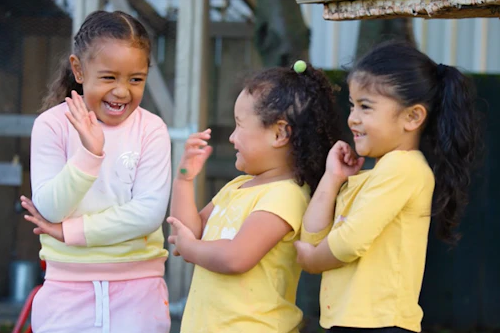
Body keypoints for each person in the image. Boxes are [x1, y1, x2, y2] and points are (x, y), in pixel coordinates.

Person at [294, 40, 480, 333]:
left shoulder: (404, 169)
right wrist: (332, 178)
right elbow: (313, 235)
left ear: (412, 117)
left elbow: (347, 242)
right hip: (351, 322)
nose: (353, 117)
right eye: (353, 105)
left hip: (381, 325)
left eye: (366, 107)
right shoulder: (374, 176)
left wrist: (314, 261)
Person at [20, 10, 172, 333]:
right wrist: (90, 154)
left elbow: (148, 213)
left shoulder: (153, 130)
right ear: (79, 69)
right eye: (108, 77)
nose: (122, 91)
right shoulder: (50, 125)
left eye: (136, 79)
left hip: (139, 291)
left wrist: (70, 232)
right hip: (66, 292)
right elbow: (49, 207)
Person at [167, 61, 345, 333]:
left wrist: (190, 247)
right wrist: (184, 179)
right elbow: (191, 231)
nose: (232, 137)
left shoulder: (286, 196)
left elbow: (236, 257)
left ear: (279, 133)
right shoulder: (238, 187)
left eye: (239, 125)